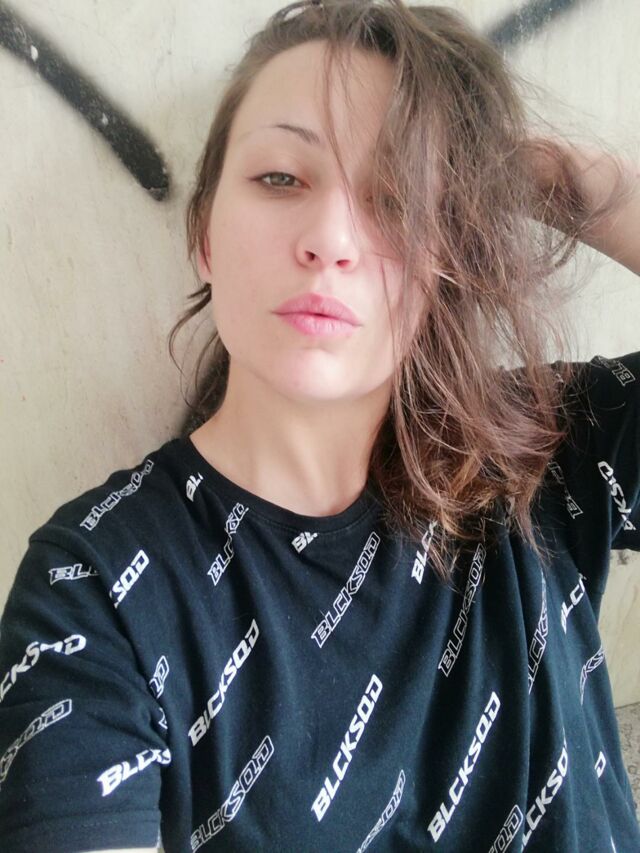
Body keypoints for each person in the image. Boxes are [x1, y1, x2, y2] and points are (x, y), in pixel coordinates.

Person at [1, 1, 639, 850]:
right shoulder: (96, 583)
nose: (331, 238)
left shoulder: (547, 452)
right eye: (281, 178)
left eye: (396, 197)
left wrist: (559, 183)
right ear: (204, 232)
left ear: (449, 256)